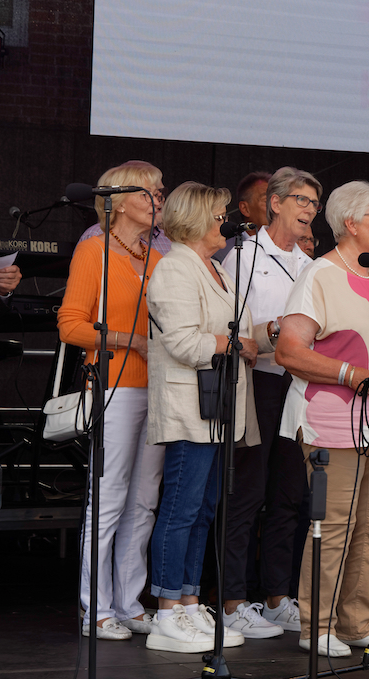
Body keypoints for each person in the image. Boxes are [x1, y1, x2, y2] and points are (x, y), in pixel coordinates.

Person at [275, 180, 369, 657]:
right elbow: (288, 351)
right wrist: (349, 373)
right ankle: (316, 627)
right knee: (334, 525)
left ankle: (356, 623)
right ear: (350, 222)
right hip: (332, 419)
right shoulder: (319, 275)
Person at [144, 181, 258, 653]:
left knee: (204, 510)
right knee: (180, 510)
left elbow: (238, 332)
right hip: (190, 408)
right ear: (194, 220)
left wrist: (266, 335)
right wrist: (235, 343)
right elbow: (184, 342)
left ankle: (190, 604)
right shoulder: (174, 267)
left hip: (219, 408)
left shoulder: (218, 268)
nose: (225, 223)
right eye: (218, 215)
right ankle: (165, 612)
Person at [57, 160, 166, 641]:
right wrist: (130, 340)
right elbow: (70, 326)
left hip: (158, 390)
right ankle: (95, 608)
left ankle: (128, 602)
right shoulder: (94, 250)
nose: (157, 200)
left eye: (160, 192)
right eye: (147, 192)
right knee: (109, 498)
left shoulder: (159, 259)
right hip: (114, 386)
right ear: (117, 202)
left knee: (143, 502)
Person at [218, 167, 323, 638]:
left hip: (299, 385)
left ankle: (278, 597)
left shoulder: (312, 264)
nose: (309, 210)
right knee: (247, 492)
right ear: (275, 203)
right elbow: (229, 329)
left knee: (290, 494)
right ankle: (232, 600)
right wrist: (278, 330)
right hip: (256, 381)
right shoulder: (242, 256)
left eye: (314, 204)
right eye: (301, 200)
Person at [217, 171, 271, 261]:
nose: (274, 207)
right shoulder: (225, 253)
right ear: (245, 208)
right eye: (266, 201)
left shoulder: (287, 247)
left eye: (277, 201)